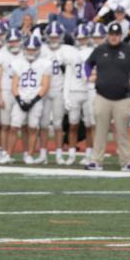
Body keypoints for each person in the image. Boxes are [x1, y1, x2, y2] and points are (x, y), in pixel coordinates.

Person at [85, 21, 130, 170]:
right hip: (102, 96)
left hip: (123, 98)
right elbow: (88, 64)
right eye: (111, 34)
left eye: (116, 35)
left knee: (123, 132)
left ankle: (127, 162)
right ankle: (96, 161)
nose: (113, 37)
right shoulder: (100, 49)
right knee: (100, 130)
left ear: (121, 35)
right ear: (108, 35)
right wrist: (88, 76)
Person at [9, 36, 51, 164]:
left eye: (33, 49)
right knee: (14, 127)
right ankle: (8, 154)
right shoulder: (18, 62)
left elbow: (45, 85)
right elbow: (14, 84)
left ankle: (29, 155)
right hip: (20, 98)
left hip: (36, 99)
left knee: (33, 127)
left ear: (38, 49)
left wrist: (33, 101)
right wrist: (19, 99)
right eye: (28, 49)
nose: (31, 51)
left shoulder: (45, 63)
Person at [40, 22, 77, 164]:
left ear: (61, 37)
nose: (53, 39)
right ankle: (43, 153)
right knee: (43, 124)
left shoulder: (68, 50)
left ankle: (59, 154)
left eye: (56, 37)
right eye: (51, 36)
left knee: (57, 124)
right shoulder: (42, 50)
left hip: (59, 90)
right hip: (44, 90)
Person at [63, 23, 96, 164]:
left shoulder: (93, 52)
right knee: (73, 125)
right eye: (80, 38)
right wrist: (66, 96)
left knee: (89, 125)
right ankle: (71, 154)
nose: (82, 40)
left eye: (84, 38)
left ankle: (89, 154)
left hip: (88, 90)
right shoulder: (71, 53)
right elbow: (68, 76)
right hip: (74, 91)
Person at [0, 28, 23, 163]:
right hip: (6, 91)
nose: (14, 44)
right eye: (11, 41)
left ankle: (9, 153)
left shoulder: (24, 53)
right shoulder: (1, 55)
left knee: (15, 125)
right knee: (5, 125)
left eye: (16, 41)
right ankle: (4, 152)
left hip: (21, 91)